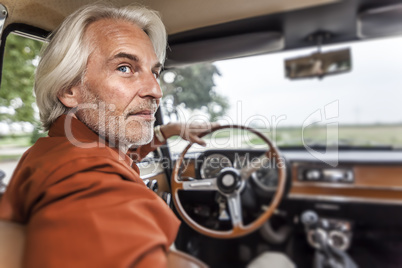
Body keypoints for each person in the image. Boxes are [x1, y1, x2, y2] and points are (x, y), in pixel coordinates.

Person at [0, 3, 214, 268]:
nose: (156, 90)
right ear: (68, 89)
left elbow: (124, 155)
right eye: (125, 68)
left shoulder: (59, 149)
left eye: (154, 72)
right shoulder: (86, 178)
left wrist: (167, 131)